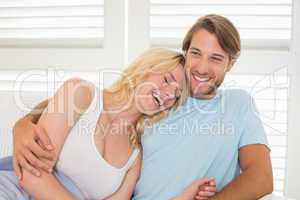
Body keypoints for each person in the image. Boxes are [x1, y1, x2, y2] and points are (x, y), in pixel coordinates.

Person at [7, 14, 273, 200]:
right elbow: (87, 105)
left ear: (231, 63)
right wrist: (21, 126)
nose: (202, 68)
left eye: (216, 58)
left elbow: (261, 178)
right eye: (195, 54)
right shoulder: (151, 102)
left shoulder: (234, 104)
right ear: (185, 52)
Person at [0, 48, 216, 200]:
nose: (169, 94)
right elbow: (29, 175)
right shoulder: (81, 94)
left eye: (176, 95)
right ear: (146, 68)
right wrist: (22, 123)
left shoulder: (134, 157)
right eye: (167, 79)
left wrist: (183, 197)